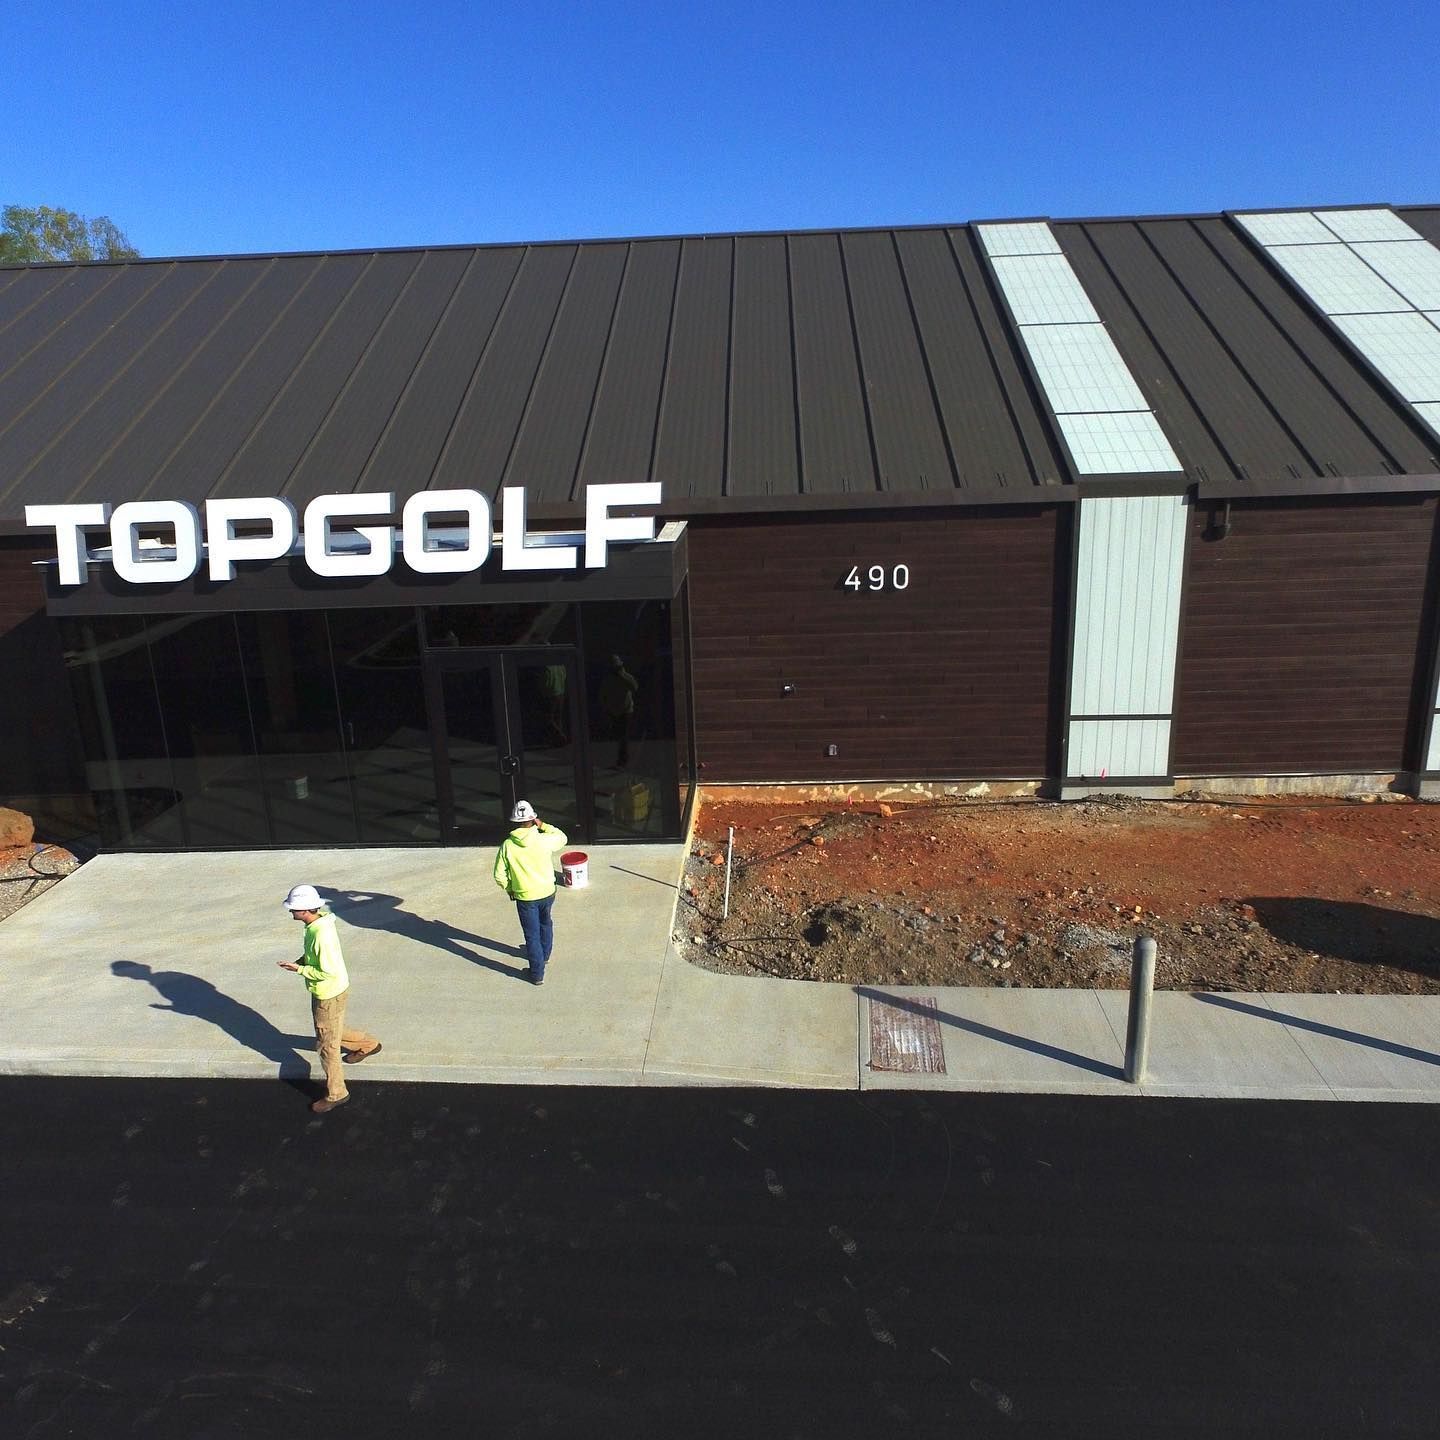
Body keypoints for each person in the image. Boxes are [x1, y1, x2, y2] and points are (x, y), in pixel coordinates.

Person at [277, 884, 382, 1113]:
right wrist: (302, 962)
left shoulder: (319, 934)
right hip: (334, 990)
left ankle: (337, 1093)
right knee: (332, 1029)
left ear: (304, 910)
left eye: (293, 908)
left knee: (326, 1046)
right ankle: (369, 1045)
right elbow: (316, 957)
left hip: (328, 993)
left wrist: (300, 970)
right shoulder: (319, 923)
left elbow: (327, 971)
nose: (290, 912)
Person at [493, 800, 567, 985]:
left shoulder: (508, 846)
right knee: (546, 923)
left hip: (525, 897)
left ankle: (537, 974)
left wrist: (510, 888)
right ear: (532, 819)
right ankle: (545, 955)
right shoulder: (543, 839)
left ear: (514, 822)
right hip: (547, 892)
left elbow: (499, 875)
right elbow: (562, 837)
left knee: (531, 934)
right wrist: (543, 825)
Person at [598, 653, 639, 767]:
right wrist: (606, 708)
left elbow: (634, 686)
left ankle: (623, 760)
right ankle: (622, 758)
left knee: (623, 736)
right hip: (614, 711)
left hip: (625, 711)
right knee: (619, 735)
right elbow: (603, 695)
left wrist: (622, 675)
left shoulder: (625, 677)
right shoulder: (608, 679)